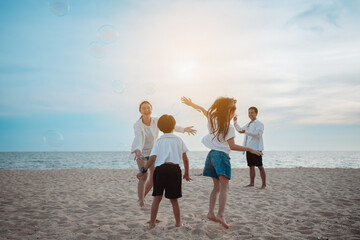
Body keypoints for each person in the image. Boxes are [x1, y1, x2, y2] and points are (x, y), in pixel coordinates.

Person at [181, 96, 262, 229]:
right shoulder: (228, 127)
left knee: (216, 187)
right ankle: (221, 215)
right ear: (228, 111)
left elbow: (201, 110)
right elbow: (232, 146)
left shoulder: (213, 118)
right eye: (232, 112)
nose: (234, 115)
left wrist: (191, 103)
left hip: (211, 155)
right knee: (225, 187)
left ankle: (211, 213)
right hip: (221, 156)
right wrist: (250, 149)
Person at [131, 101, 196, 207]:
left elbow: (171, 125)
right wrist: (137, 149)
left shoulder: (156, 120)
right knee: (144, 176)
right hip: (140, 151)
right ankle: (141, 201)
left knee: (153, 177)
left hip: (153, 150)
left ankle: (141, 198)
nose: (146, 110)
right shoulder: (137, 125)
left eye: (148, 108)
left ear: (151, 109)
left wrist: (184, 129)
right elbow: (138, 138)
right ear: (140, 111)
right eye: (144, 108)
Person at [137, 114, 192, 229]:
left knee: (157, 198)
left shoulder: (159, 141)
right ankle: (178, 223)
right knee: (174, 200)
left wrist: (143, 170)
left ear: (160, 128)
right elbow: (185, 159)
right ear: (173, 126)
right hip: (174, 170)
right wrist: (186, 173)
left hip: (160, 170)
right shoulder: (178, 140)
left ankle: (152, 223)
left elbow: (152, 158)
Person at [234, 106, 266, 189]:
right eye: (249, 112)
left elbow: (258, 134)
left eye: (252, 112)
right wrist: (235, 122)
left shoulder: (259, 123)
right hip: (248, 148)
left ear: (256, 113)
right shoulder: (248, 124)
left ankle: (264, 184)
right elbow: (240, 130)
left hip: (256, 148)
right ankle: (252, 183)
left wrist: (246, 132)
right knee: (251, 166)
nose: (250, 114)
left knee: (260, 166)